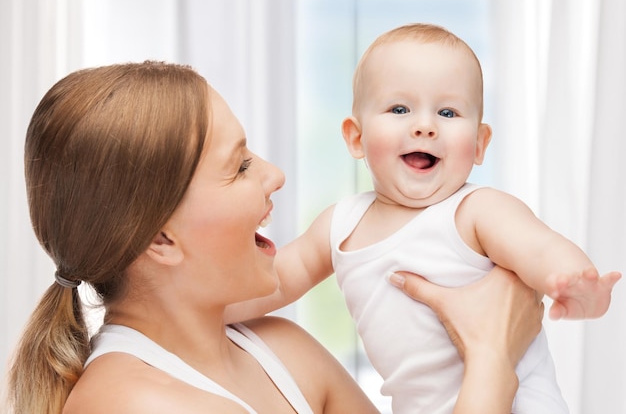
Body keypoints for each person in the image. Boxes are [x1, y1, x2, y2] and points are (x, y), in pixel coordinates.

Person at [2, 61, 544, 414]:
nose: (274, 174)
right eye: (239, 167)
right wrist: (493, 358)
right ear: (160, 240)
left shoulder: (281, 350)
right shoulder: (133, 403)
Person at [225, 24, 622, 414]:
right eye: (400, 108)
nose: (425, 125)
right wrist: (197, 312)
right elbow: (274, 283)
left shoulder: (474, 211)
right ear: (356, 138)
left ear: (480, 144)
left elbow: (539, 247)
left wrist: (571, 279)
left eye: (448, 112)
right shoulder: (340, 225)